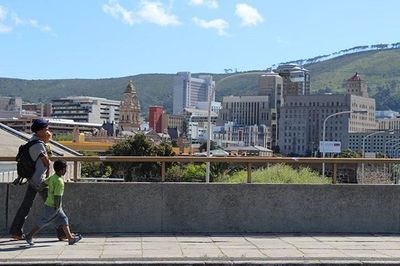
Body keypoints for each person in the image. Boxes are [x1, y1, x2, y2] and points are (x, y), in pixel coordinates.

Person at [9, 118, 64, 240]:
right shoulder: (38, 145)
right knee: (55, 206)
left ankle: (16, 231)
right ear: (39, 131)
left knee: (26, 206)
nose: (48, 131)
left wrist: (46, 141)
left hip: (33, 179)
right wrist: (47, 141)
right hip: (40, 182)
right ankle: (63, 233)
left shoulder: (33, 141)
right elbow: (47, 162)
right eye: (46, 129)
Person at [25, 160, 82, 246]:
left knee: (64, 219)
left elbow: (43, 183)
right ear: (61, 170)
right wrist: (57, 207)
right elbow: (57, 196)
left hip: (52, 205)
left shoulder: (53, 177)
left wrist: (40, 189)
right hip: (54, 206)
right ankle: (29, 236)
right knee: (43, 222)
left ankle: (70, 238)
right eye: (65, 169)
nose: (66, 171)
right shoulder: (59, 181)